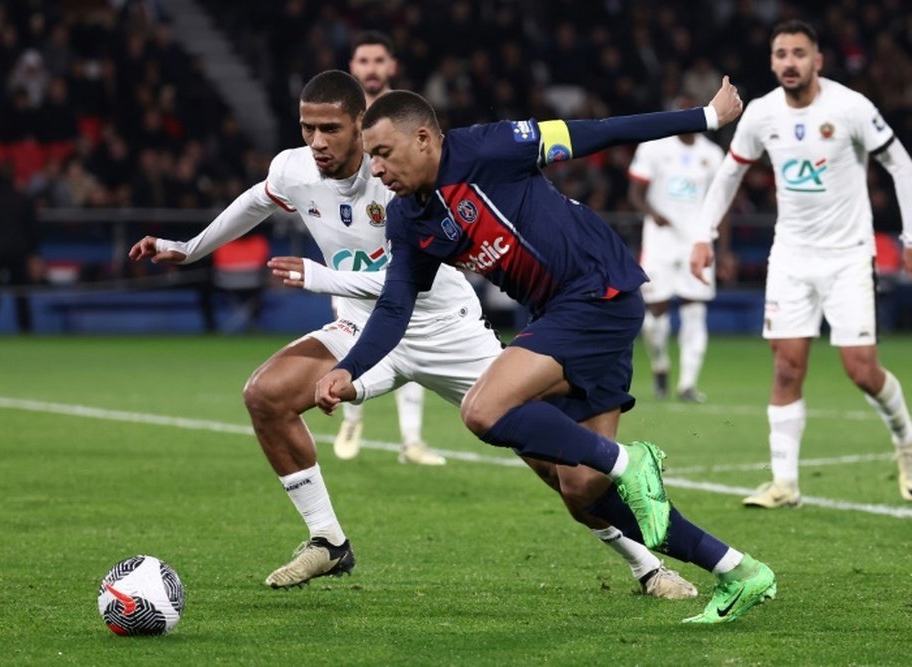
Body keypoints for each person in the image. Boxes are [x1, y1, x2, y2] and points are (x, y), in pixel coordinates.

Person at [130, 70, 695, 600]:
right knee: (266, 395)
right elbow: (256, 200)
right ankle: (329, 541)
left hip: (446, 328)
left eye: (331, 128)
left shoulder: (399, 178)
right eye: (308, 128)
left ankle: (648, 566)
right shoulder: (294, 171)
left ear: (360, 124)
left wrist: (322, 277)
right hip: (362, 331)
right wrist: (189, 248)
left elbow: (402, 288)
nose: (318, 141)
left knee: (560, 469)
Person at [315, 82, 778, 623]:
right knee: (582, 487)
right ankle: (737, 570)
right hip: (562, 315)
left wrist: (703, 116)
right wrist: (348, 369)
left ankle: (634, 463)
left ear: (423, 138)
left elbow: (596, 134)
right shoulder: (408, 219)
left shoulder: (489, 148)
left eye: (383, 153)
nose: (376, 168)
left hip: (596, 291)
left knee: (484, 409)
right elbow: (395, 308)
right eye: (370, 156)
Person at [690, 20, 912, 508]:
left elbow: (901, 165)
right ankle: (785, 482)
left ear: (817, 60)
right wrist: (703, 235)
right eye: (781, 53)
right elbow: (728, 175)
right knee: (786, 368)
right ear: (772, 61)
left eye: (799, 53)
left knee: (862, 370)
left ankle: (906, 437)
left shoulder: (850, 107)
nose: (789, 62)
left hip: (847, 257)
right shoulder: (761, 114)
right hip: (790, 257)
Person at [334, 30, 441, 465]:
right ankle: (351, 417)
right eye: (364, 61)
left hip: (400, 231)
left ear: (391, 66)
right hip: (350, 241)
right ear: (353, 67)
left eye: (380, 60)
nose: (372, 68)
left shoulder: (406, 114)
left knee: (410, 329)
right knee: (353, 333)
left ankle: (411, 440)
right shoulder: (336, 115)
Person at [627, 93, 729, 402]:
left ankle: (687, 384)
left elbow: (722, 203)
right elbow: (635, 192)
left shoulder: (712, 154)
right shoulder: (654, 147)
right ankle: (660, 363)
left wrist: (723, 250)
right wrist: (651, 212)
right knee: (655, 311)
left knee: (694, 310)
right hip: (660, 240)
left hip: (697, 240)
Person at [0, 162, 46, 333]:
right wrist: (33, 254)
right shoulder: (24, 199)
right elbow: (33, 230)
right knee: (21, 296)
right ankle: (26, 332)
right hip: (19, 253)